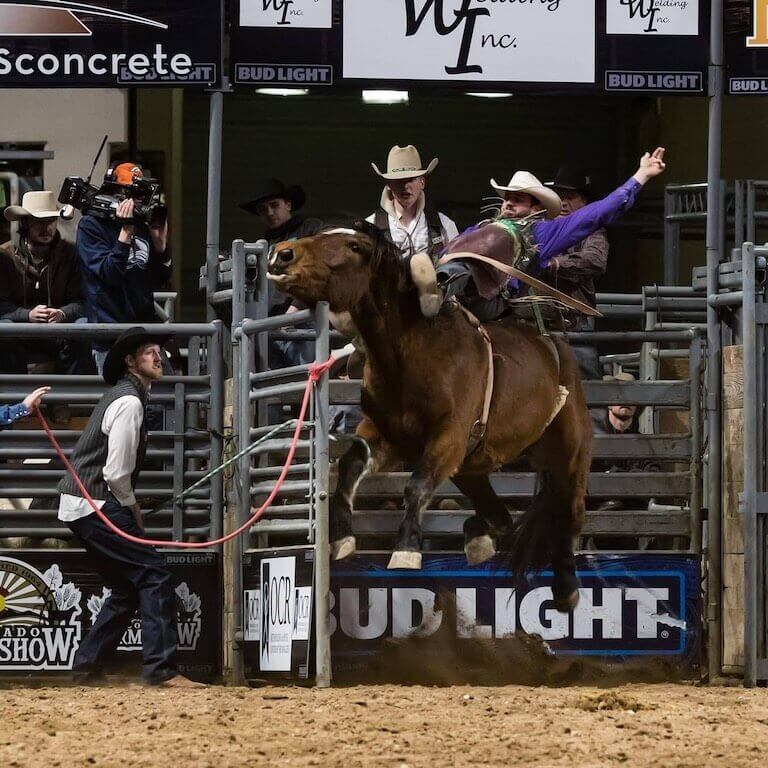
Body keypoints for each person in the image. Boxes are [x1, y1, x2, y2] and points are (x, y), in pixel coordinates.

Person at [56, 327, 202, 687]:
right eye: (149, 352)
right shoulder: (130, 402)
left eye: (159, 351)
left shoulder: (126, 397)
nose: (158, 357)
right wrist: (132, 508)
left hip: (83, 503)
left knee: (126, 587)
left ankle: (88, 669)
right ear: (130, 362)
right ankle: (161, 670)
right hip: (96, 501)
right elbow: (116, 473)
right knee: (154, 574)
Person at [412, 148, 667, 322]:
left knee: (467, 267)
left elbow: (597, 213)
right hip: (462, 292)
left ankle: (437, 291)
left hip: (493, 298)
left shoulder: (542, 231)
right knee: (460, 256)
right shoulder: (481, 228)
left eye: (518, 199)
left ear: (536, 209)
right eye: (507, 199)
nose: (509, 204)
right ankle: (425, 289)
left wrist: (640, 176)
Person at [77, 163, 172, 375]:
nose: (138, 201)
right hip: (111, 333)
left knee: (164, 399)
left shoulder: (142, 225)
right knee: (122, 399)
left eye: (141, 195)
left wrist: (161, 247)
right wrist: (125, 232)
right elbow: (109, 275)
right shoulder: (90, 226)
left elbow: (160, 278)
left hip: (144, 328)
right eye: (132, 194)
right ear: (114, 193)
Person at [0, 192, 89, 415]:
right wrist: (26, 315)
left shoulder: (70, 254)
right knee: (5, 330)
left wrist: (62, 313)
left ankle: (62, 401)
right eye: (39, 222)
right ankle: (17, 404)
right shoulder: (5, 256)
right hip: (19, 332)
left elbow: (82, 301)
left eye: (50, 221)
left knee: (83, 326)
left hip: (58, 331)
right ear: (25, 223)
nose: (46, 228)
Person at [366, 144, 459, 260]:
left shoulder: (444, 225)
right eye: (399, 180)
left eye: (411, 179)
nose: (405, 186)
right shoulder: (371, 227)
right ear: (389, 184)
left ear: (422, 182)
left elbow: (457, 268)